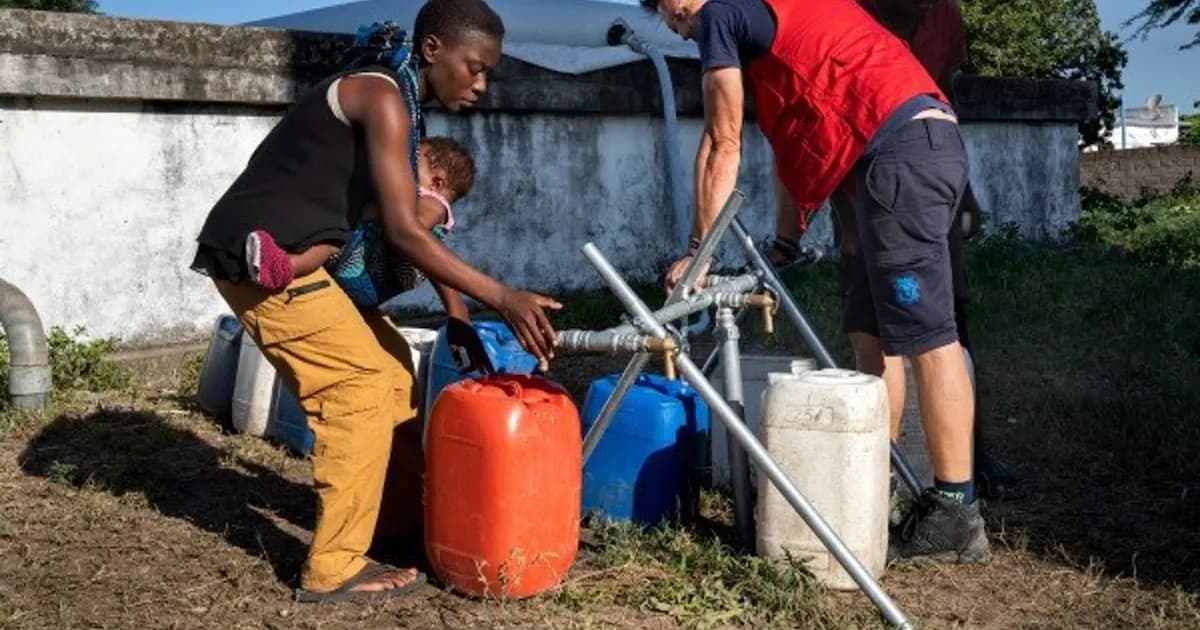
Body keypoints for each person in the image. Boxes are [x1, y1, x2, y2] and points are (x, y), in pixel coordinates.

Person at [190, 0, 561, 601]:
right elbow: (404, 232)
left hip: (302, 262)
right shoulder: (384, 96)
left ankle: (395, 526)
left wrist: (459, 316)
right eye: (475, 68)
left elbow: (420, 226)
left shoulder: (403, 104)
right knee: (358, 390)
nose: (481, 85)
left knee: (392, 374)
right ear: (434, 49)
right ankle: (334, 567)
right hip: (262, 262)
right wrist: (503, 297)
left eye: (488, 73)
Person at [644, 0, 989, 563]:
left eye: (677, 14)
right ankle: (877, 481)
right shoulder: (771, 38)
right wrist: (786, 242)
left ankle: (956, 512)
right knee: (870, 335)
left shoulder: (722, 14)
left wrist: (698, 253)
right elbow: (793, 146)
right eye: (674, 26)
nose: (684, 32)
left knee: (928, 337)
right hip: (893, 158)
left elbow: (720, 140)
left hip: (900, 153)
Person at [767, 0, 1017, 498]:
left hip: (922, 165)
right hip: (866, 180)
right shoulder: (853, 10)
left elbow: (941, 94)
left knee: (940, 327)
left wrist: (964, 190)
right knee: (871, 329)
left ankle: (962, 474)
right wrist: (845, 222)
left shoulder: (944, 15)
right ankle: (881, 475)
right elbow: (826, 116)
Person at [245, 136, 476, 321]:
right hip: (365, 281)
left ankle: (285, 266)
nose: (400, 166)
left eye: (411, 164)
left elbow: (413, 226)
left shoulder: (434, 203)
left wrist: (374, 205)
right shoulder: (422, 198)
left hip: (369, 272)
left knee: (332, 238)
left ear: (437, 183)